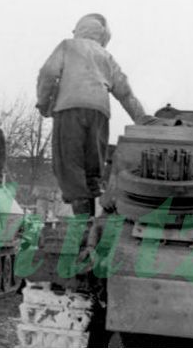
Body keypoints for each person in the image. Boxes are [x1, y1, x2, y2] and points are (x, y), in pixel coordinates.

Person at [36, 13, 153, 216]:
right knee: (92, 168)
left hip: (69, 109)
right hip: (100, 113)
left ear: (79, 30)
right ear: (102, 36)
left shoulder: (68, 46)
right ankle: (90, 223)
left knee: (69, 166)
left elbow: (48, 72)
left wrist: (43, 102)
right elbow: (124, 92)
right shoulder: (106, 56)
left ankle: (83, 223)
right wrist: (142, 119)